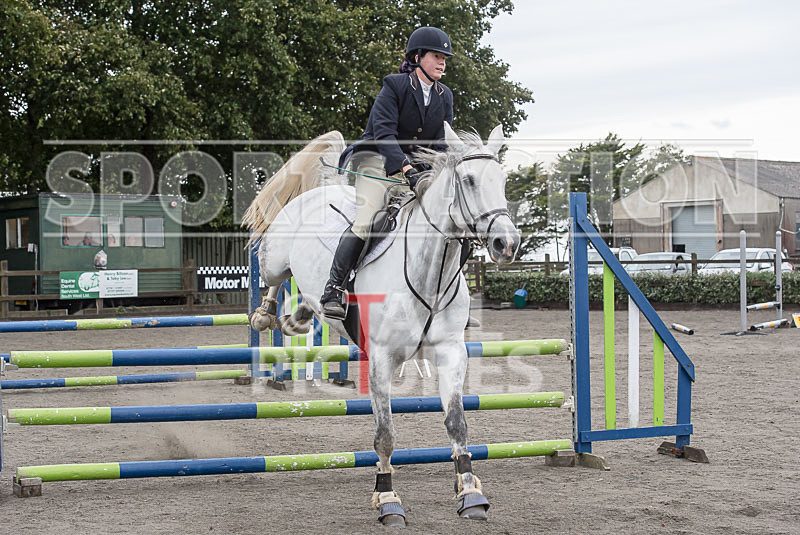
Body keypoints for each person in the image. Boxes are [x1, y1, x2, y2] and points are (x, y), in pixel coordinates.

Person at [320, 26, 455, 320]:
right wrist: (405, 167)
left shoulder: (445, 96)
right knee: (368, 220)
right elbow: (383, 132)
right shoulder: (395, 85)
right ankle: (334, 288)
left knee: (441, 219)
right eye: (436, 56)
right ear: (417, 57)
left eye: (445, 58)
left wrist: (439, 174)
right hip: (376, 161)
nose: (442, 62)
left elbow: (442, 144)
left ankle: (442, 298)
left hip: (417, 169)